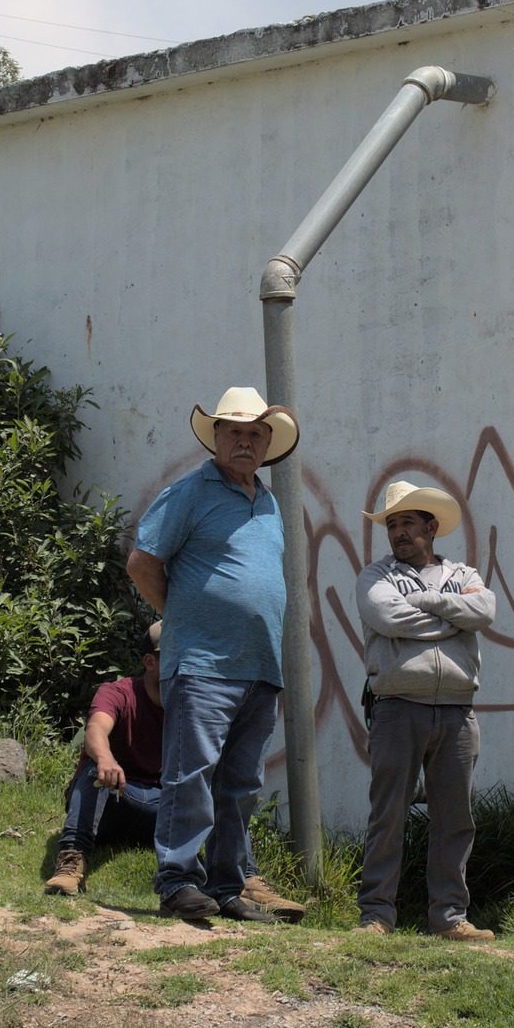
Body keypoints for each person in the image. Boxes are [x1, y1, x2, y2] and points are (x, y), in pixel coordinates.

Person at [127, 386, 297, 923]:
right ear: (216, 437)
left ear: (267, 445)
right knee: (191, 774)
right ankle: (178, 880)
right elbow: (142, 563)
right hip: (202, 663)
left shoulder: (267, 501)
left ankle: (228, 886)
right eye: (234, 433)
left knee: (241, 785)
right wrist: (183, 618)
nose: (245, 443)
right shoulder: (189, 493)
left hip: (259, 666)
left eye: (255, 435)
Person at [44, 621, 306, 920]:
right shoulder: (120, 692)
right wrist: (106, 759)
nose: (187, 660)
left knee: (223, 789)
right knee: (95, 772)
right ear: (150, 661)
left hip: (166, 808)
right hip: (119, 797)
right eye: (177, 652)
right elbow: (96, 729)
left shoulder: (196, 703)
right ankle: (71, 862)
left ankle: (249, 881)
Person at [354, 481, 497, 942]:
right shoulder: (375, 576)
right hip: (397, 708)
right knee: (388, 814)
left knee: (455, 818)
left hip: (457, 711)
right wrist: (454, 621)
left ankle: (450, 918)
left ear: (432, 527)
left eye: (407, 523)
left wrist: (429, 602)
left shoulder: (464, 572)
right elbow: (388, 618)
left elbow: (486, 609)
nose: (398, 532)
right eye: (392, 524)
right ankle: (376, 916)